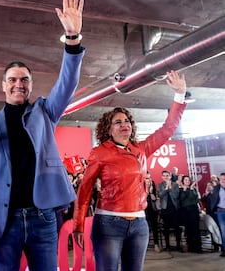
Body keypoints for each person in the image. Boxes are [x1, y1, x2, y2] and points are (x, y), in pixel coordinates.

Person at [0, 0, 85, 271]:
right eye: (12, 79)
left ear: (31, 84)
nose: (19, 84)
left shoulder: (45, 112)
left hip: (42, 218)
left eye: (25, 79)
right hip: (2, 221)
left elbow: (67, 84)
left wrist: (72, 40)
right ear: (3, 85)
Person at [73, 70, 186, 271]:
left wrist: (179, 95)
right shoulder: (100, 153)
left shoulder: (141, 149)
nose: (124, 124)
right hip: (108, 223)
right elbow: (85, 190)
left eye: (126, 121)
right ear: (108, 129)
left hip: (139, 224)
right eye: (118, 122)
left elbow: (168, 129)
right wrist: (78, 225)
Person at [157, 170, 183, 252]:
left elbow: (176, 196)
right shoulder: (160, 185)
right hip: (165, 209)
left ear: (170, 176)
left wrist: (170, 188)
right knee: (166, 228)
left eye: (167, 175)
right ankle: (167, 246)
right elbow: (160, 195)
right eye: (164, 175)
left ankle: (178, 245)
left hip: (174, 209)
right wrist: (166, 189)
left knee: (176, 227)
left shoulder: (175, 184)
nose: (165, 177)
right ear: (162, 177)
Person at [179, 175, 202, 252]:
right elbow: (181, 198)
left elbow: (195, 198)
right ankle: (190, 246)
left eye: (188, 180)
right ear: (183, 181)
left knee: (195, 228)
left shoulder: (194, 189)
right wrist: (185, 190)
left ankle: (198, 247)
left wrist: (191, 189)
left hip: (194, 210)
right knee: (188, 229)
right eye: (185, 180)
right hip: (185, 211)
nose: (187, 181)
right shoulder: (180, 189)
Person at [209, 172, 225, 257]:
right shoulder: (217, 188)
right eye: (221, 179)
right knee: (223, 231)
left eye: (224, 179)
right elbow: (213, 199)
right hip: (220, 212)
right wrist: (213, 209)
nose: (223, 181)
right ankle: (224, 249)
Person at [145, 172, 162, 253]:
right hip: (143, 210)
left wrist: (151, 192)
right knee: (145, 228)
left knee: (154, 227)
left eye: (149, 178)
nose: (147, 180)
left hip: (152, 209)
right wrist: (146, 191)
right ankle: (146, 245)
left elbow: (154, 199)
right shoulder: (140, 186)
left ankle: (156, 244)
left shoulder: (153, 186)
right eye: (146, 178)